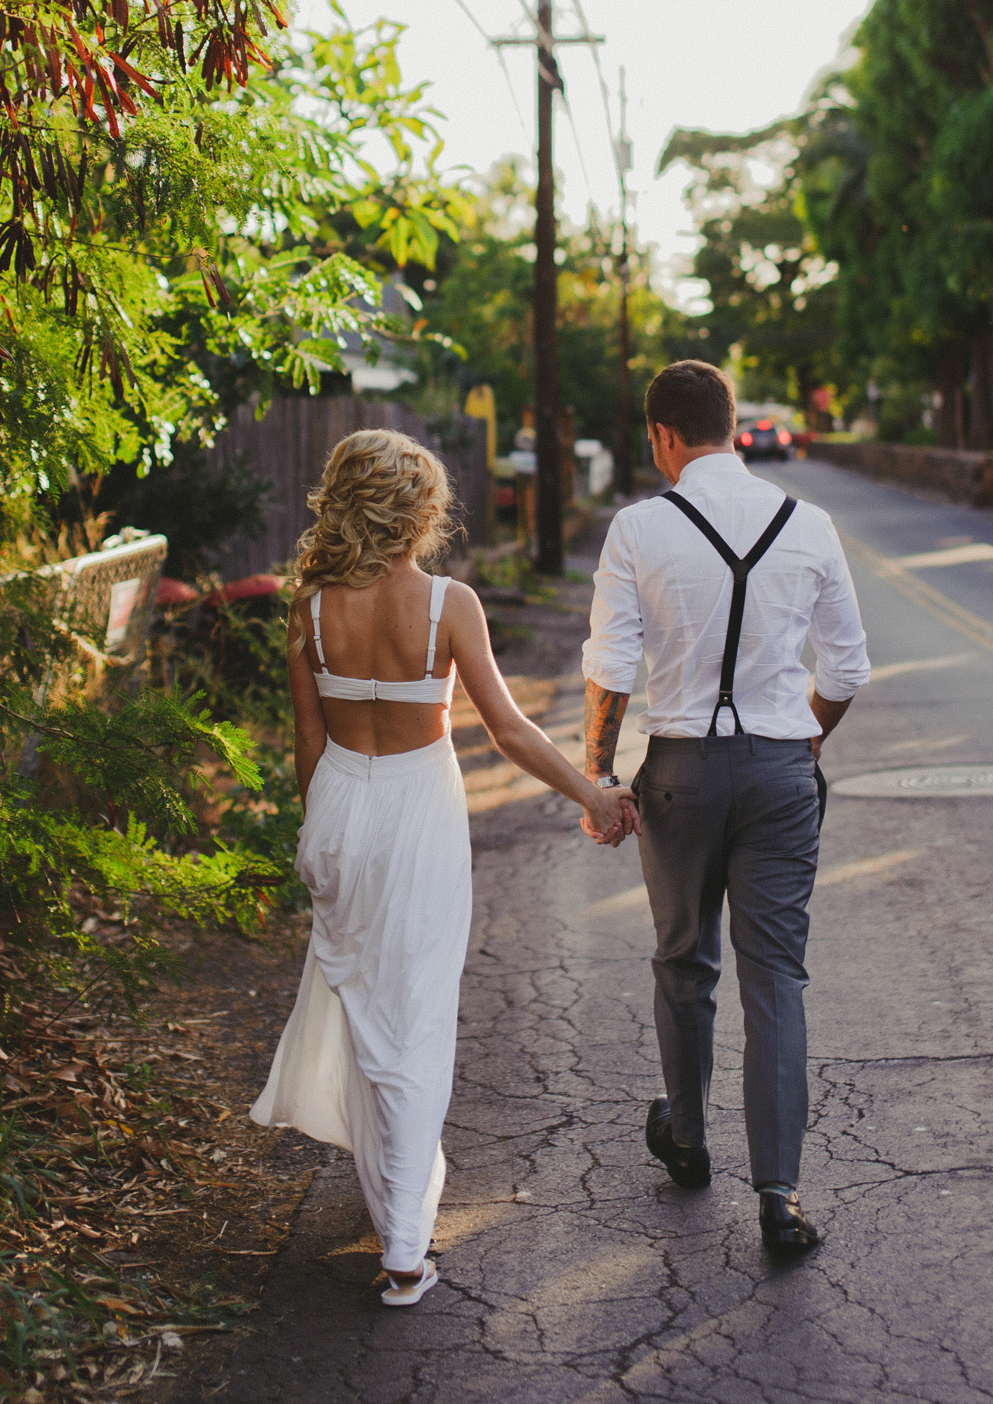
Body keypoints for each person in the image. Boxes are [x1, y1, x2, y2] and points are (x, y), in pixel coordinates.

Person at [250, 428, 633, 1307]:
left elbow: (307, 743)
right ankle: (404, 1252)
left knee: (366, 1007)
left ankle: (391, 1198)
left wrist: (318, 840)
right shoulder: (449, 604)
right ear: (419, 510)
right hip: (419, 811)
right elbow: (508, 729)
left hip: (342, 802)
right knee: (415, 1014)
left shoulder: (308, 609)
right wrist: (592, 793)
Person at [580, 360, 870, 1252]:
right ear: (734, 425)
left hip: (679, 774)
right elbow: (849, 670)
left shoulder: (636, 530)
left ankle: (689, 1139)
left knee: (684, 961)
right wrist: (804, 738)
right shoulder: (809, 524)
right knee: (776, 978)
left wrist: (601, 777)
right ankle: (779, 1199)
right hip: (782, 774)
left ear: (664, 435)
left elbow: (610, 672)